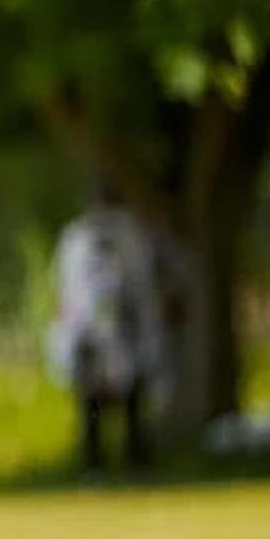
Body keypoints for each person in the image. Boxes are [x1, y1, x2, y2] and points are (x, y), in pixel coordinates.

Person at [50, 197, 167, 472]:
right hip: (87, 334)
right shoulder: (76, 239)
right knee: (90, 402)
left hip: (127, 332)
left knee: (132, 400)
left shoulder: (130, 237)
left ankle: (136, 458)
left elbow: (141, 289)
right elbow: (66, 292)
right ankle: (93, 461)